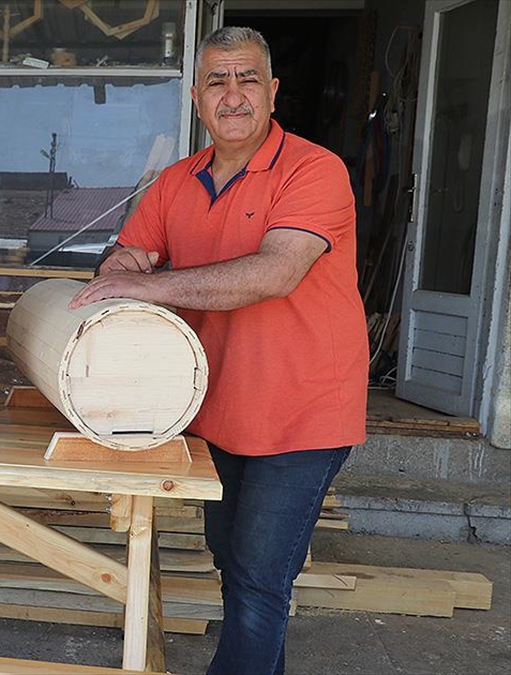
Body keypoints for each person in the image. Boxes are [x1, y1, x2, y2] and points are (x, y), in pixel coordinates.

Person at [70, 27, 367, 675]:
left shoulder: (315, 170)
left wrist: (144, 281)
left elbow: (274, 273)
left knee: (260, 582)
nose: (233, 95)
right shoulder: (177, 181)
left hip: (302, 412)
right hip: (215, 406)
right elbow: (133, 254)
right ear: (197, 98)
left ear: (273, 91)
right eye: (216, 81)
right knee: (235, 568)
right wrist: (122, 268)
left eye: (248, 79)